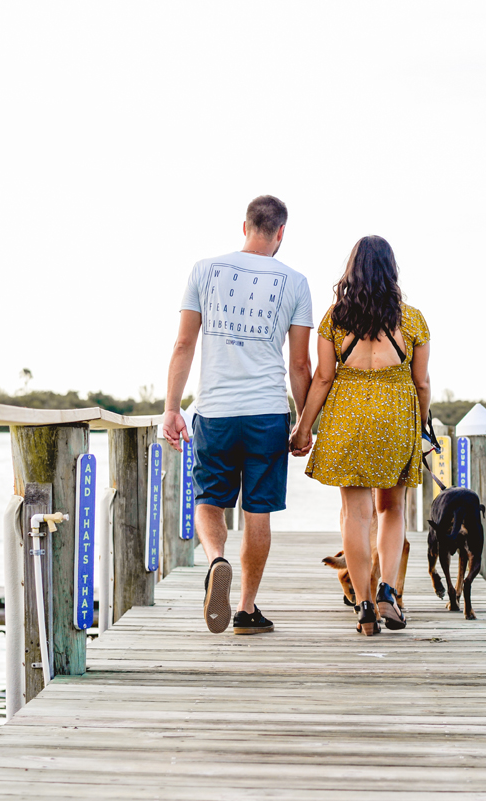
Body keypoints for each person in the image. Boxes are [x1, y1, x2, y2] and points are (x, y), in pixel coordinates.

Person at [162, 195, 313, 635]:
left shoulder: (204, 270)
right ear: (281, 232)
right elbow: (300, 365)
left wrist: (172, 408)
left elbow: (183, 346)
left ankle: (216, 561)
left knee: (209, 500)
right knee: (257, 513)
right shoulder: (296, 282)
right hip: (267, 413)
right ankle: (246, 609)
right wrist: (304, 423)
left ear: (243, 226)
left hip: (215, 411)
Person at [289, 235, 430, 636]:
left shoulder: (335, 319)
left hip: (346, 422)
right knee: (392, 510)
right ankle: (387, 591)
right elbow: (421, 383)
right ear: (392, 271)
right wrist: (419, 430)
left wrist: (303, 428)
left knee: (355, 514)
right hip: (395, 424)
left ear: (352, 270)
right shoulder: (414, 320)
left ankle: (364, 604)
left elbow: (322, 377)